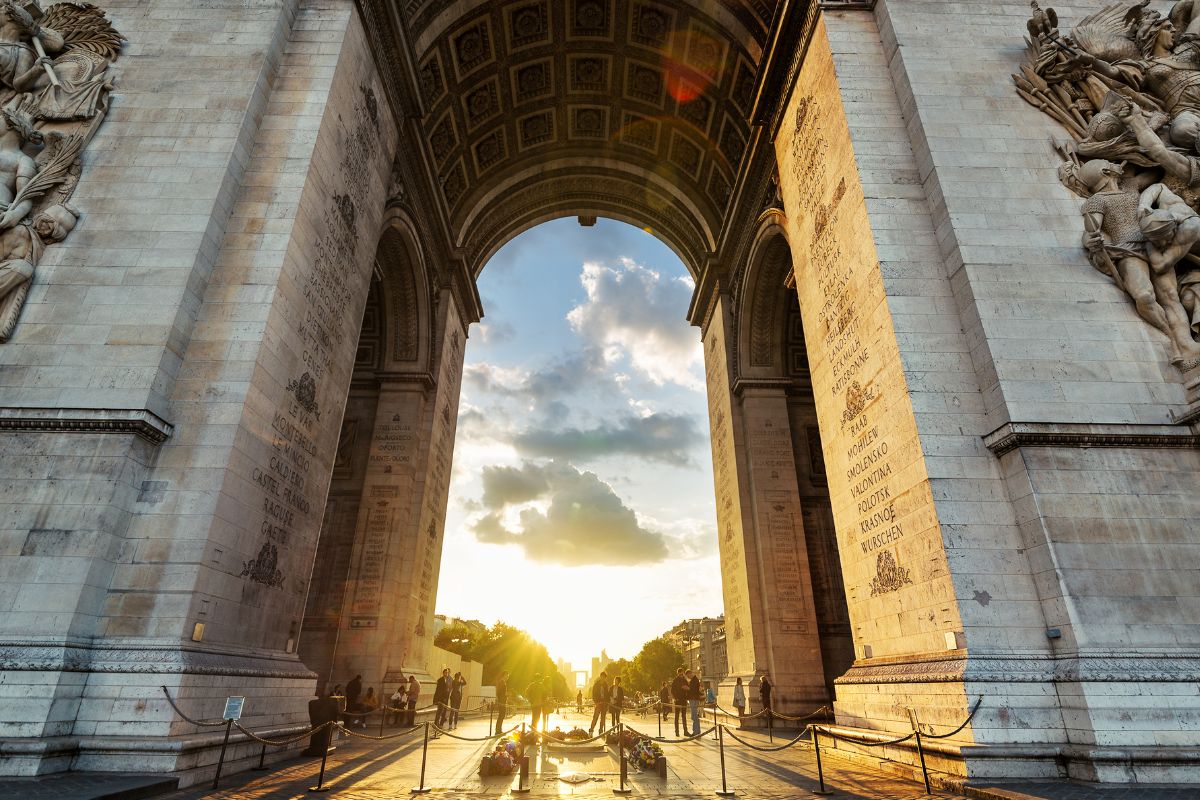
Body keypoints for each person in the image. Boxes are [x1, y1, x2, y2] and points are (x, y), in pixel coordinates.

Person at [588, 671, 610, 735]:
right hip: (598, 703)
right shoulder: (596, 685)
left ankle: (601, 731)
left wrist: (607, 703)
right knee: (595, 717)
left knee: (603, 719)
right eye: (602, 676)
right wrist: (596, 702)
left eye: (604, 677)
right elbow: (593, 694)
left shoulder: (606, 685)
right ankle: (591, 730)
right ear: (600, 677)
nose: (603, 678)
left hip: (604, 703)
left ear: (605, 678)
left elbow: (607, 695)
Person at [670, 667, 688, 736]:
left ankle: (685, 731)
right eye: (680, 673)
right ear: (678, 673)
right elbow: (672, 691)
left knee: (684, 716)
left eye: (682, 673)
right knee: (677, 716)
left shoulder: (684, 680)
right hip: (678, 700)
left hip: (683, 700)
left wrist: (686, 689)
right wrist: (675, 698)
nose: (681, 675)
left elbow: (687, 688)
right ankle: (677, 732)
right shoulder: (675, 681)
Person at [687, 670, 702, 736]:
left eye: (688, 676)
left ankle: (695, 731)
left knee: (694, 715)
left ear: (690, 673)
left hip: (693, 699)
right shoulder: (695, 680)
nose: (688, 677)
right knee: (695, 715)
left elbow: (692, 690)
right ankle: (698, 730)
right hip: (694, 699)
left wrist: (688, 689)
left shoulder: (694, 680)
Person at [494, 670, 509, 735]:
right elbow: (499, 692)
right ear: (504, 675)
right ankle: (498, 730)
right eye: (507, 675)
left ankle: (499, 729)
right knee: (501, 715)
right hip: (501, 701)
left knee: (502, 715)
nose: (508, 677)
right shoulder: (501, 682)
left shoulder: (502, 682)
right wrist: (504, 696)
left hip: (502, 701)